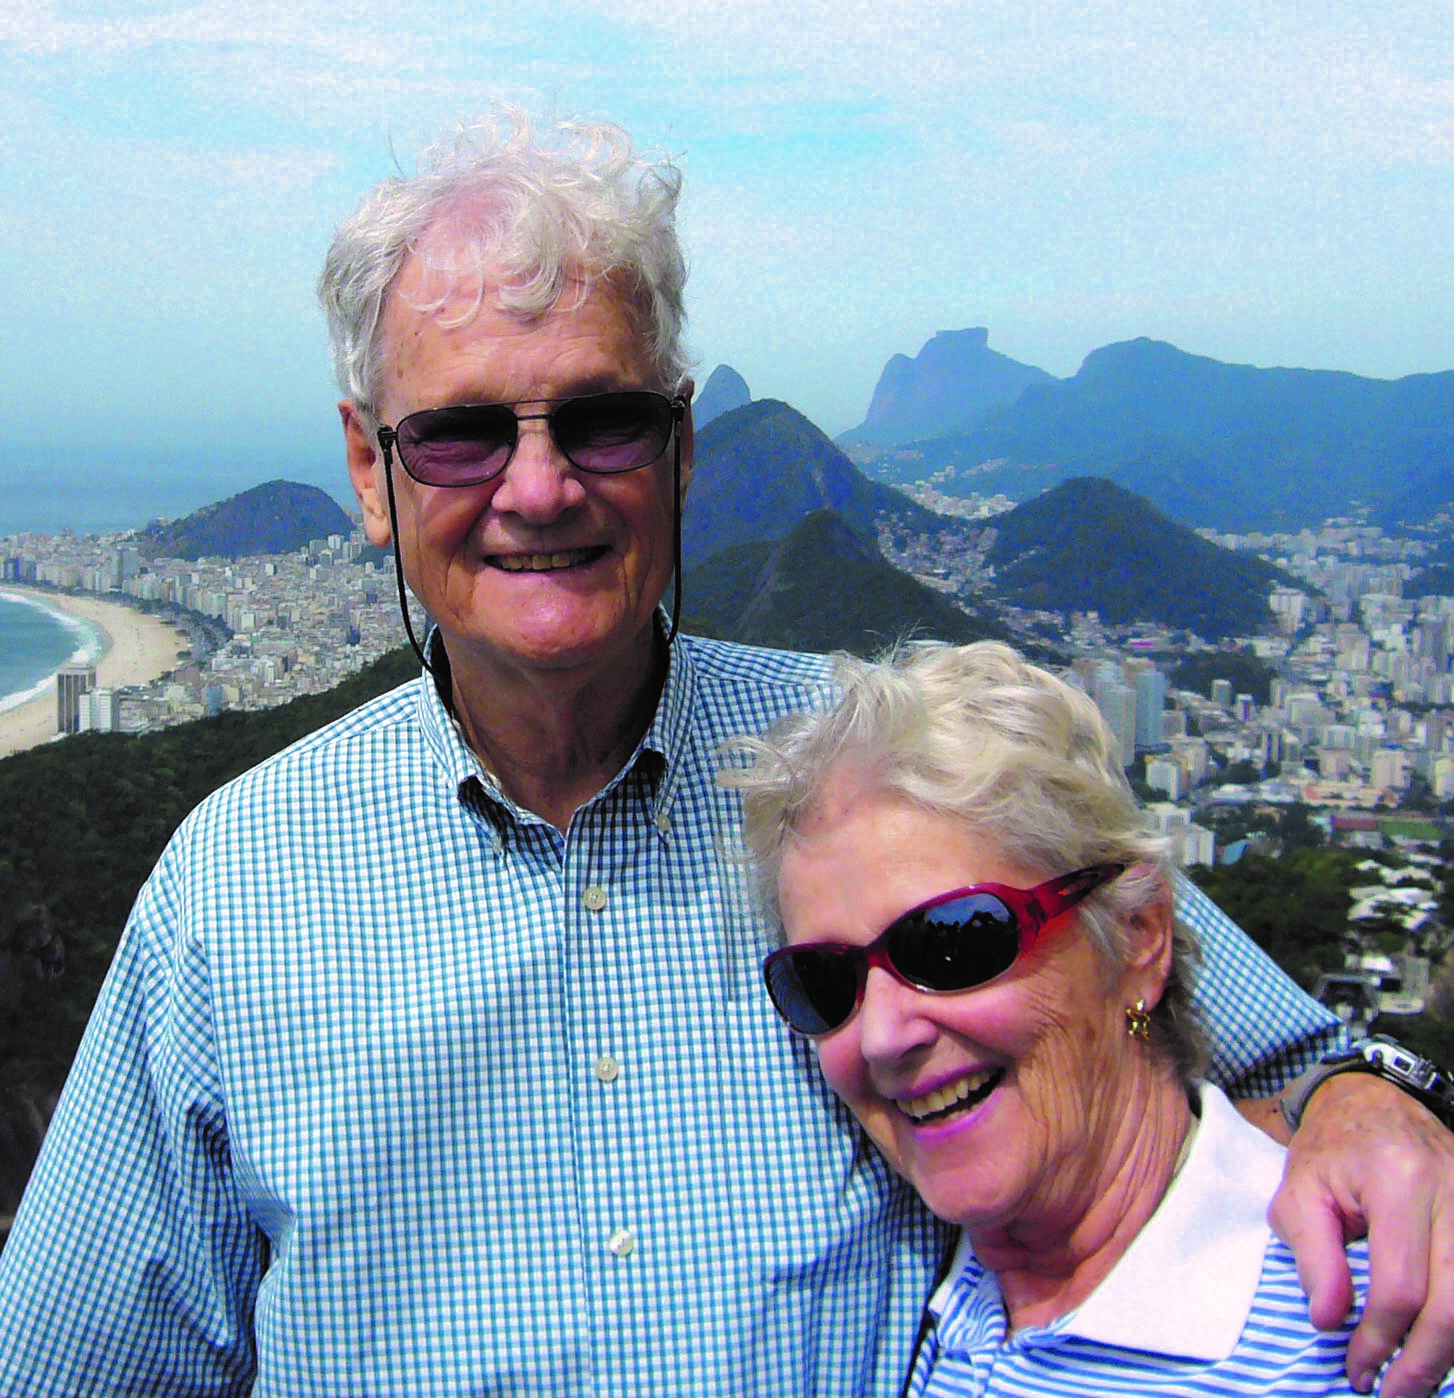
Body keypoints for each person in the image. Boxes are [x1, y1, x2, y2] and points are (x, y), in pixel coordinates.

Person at [0, 108, 1450, 1396]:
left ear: (682, 446)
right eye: (455, 437)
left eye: (602, 417)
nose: (538, 487)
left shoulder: (867, 767)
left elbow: (1248, 1025)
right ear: (370, 473)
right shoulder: (233, 889)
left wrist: (1364, 1099)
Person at [728, 639, 1454, 1396]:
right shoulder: (934, 1303)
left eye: (954, 941)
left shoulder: (1390, 1322)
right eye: (823, 979)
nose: (882, 1034)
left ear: (1140, 935)